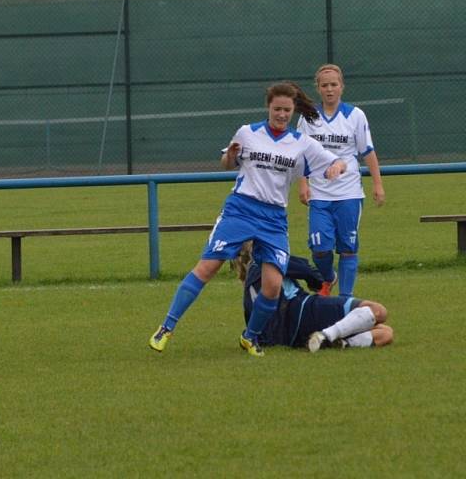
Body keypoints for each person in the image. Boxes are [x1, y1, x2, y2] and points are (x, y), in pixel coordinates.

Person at [148, 81, 347, 357]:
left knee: (273, 285)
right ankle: (166, 327)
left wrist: (337, 166)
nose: (281, 114)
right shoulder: (248, 132)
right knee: (207, 267)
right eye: (277, 109)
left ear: (293, 111)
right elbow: (227, 164)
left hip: (274, 219)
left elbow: (336, 162)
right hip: (241, 210)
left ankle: (250, 337)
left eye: (286, 110)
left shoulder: (301, 143)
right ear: (268, 107)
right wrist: (230, 156)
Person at [296, 64, 385, 298]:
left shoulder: (355, 115)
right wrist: (303, 183)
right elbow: (301, 153)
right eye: (324, 85)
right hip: (319, 194)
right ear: (318, 88)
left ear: (342, 87)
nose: (329, 89)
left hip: (349, 194)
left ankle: (345, 300)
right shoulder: (308, 117)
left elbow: (368, 152)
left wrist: (378, 184)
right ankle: (329, 277)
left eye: (334, 84)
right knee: (320, 249)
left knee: (347, 249)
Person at [231, 242, 393, 351]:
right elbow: (308, 271)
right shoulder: (269, 258)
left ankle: (341, 343)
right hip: (304, 311)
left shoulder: (248, 284)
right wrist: (318, 282)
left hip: (289, 338)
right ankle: (326, 335)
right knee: (378, 311)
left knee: (385, 333)